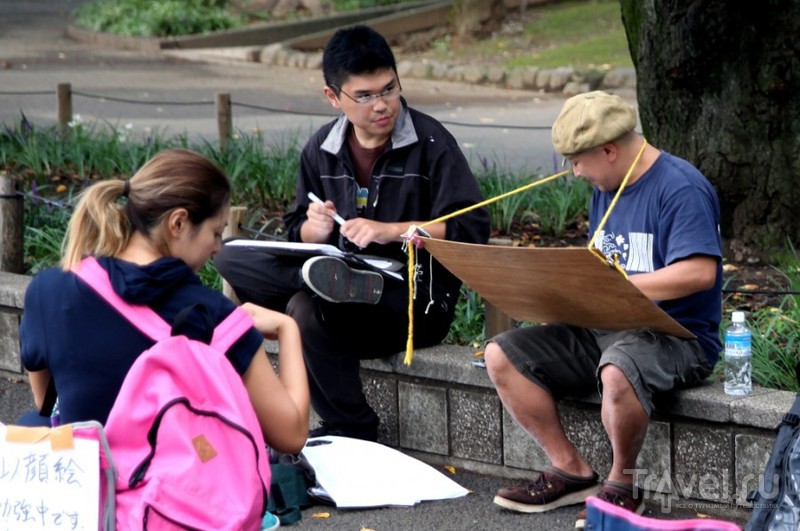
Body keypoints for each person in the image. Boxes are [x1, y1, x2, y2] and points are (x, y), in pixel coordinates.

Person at [214, 25, 490, 442]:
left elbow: (472, 228)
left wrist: (392, 231)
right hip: (340, 299)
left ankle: (348, 421)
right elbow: (295, 229)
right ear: (333, 96)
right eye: (364, 96)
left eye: (389, 89)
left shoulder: (432, 142)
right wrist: (313, 228)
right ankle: (351, 423)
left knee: (305, 306)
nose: (382, 105)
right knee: (230, 255)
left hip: (409, 303)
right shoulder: (321, 147)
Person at [484, 91, 722, 528]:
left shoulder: (680, 187)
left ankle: (622, 485)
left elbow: (699, 273)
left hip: (677, 336)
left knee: (617, 368)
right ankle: (571, 470)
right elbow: (603, 265)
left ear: (609, 150)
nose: (575, 172)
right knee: (503, 355)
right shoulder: (609, 185)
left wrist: (621, 287)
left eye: (578, 161)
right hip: (606, 327)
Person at [18, 148, 309, 456]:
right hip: (170, 499)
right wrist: (288, 327)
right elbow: (291, 435)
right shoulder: (214, 316)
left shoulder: (48, 290)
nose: (217, 247)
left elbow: (45, 402)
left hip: (87, 491)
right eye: (215, 232)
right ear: (179, 223)